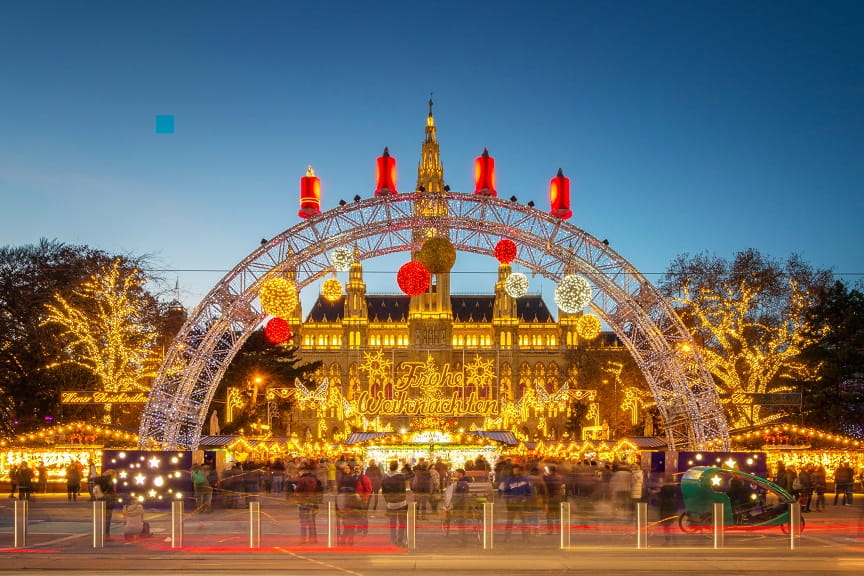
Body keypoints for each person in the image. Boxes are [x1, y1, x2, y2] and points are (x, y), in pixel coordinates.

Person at [381, 460, 412, 547]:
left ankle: (393, 540)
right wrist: (406, 464)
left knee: (392, 523)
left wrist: (387, 501)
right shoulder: (400, 476)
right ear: (397, 467)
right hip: (401, 502)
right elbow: (412, 474)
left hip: (390, 503)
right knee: (402, 522)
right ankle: (400, 540)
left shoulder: (384, 477)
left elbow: (383, 491)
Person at [501, 464, 532, 541]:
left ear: (520, 470)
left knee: (524, 521)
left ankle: (526, 537)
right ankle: (507, 537)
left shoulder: (525, 479)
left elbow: (529, 490)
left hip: (522, 502)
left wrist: (527, 499)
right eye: (514, 470)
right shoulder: (509, 480)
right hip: (512, 502)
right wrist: (508, 501)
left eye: (517, 470)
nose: (516, 471)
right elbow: (506, 491)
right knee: (510, 521)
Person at [294, 464, 323, 544]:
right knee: (311, 521)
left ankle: (303, 539)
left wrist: (295, 488)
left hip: (303, 501)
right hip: (312, 502)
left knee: (303, 522)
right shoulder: (314, 479)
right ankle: (313, 539)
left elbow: (298, 490)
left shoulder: (302, 479)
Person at [336, 463, 359, 545]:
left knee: (348, 523)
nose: (346, 470)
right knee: (349, 523)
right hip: (346, 502)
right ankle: (348, 539)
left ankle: (345, 539)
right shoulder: (346, 478)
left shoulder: (342, 478)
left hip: (348, 502)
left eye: (348, 468)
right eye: (345, 468)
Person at [94, 470, 118, 538]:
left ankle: (99, 534)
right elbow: (112, 490)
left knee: (100, 518)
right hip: (109, 499)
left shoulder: (98, 479)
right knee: (108, 518)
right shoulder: (110, 480)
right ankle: (106, 534)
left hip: (100, 499)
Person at [354, 464, 373, 536]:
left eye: (358, 469)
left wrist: (365, 499)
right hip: (355, 501)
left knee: (363, 516)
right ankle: (359, 530)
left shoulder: (364, 478)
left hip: (362, 500)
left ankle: (364, 531)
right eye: (355, 469)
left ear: (361, 470)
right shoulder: (353, 478)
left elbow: (369, 490)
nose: (356, 470)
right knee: (357, 516)